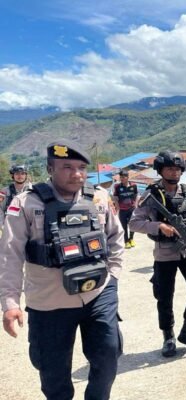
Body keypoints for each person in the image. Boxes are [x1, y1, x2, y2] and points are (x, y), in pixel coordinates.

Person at [0, 139, 124, 400]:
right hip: (49, 303)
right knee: (53, 374)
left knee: (108, 355)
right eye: (67, 167)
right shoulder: (26, 204)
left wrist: (112, 277)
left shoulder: (99, 198)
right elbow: (10, 256)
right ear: (50, 169)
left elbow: (116, 237)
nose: (76, 174)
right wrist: (10, 303)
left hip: (97, 294)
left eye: (81, 167)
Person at [129, 150, 186, 357]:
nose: (174, 172)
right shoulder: (150, 195)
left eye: (177, 169)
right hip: (164, 253)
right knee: (164, 296)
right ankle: (168, 336)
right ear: (160, 170)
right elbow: (134, 223)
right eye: (170, 169)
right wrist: (158, 226)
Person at [112, 169, 139, 249]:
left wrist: (136, 204)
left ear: (127, 177)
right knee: (124, 226)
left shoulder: (133, 185)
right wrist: (117, 208)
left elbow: (136, 195)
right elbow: (115, 198)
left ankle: (131, 239)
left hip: (131, 209)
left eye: (123, 177)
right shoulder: (117, 187)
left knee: (132, 225)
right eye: (121, 177)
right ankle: (126, 241)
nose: (122, 179)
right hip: (122, 210)